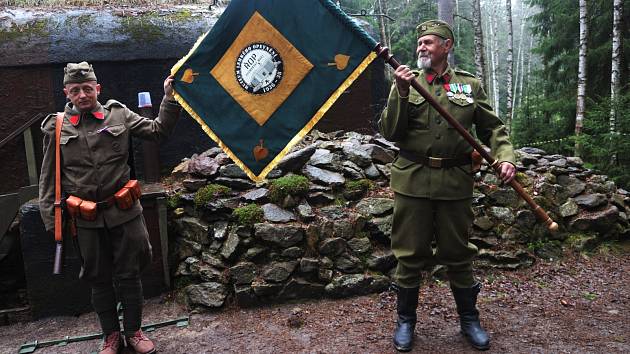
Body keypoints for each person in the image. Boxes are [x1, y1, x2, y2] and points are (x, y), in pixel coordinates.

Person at [378, 20, 516, 352]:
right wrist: (400, 92)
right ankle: (405, 322)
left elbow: (492, 127)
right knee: (409, 255)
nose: (421, 47)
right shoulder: (405, 82)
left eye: (428, 42)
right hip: (413, 180)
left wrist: (506, 155)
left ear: (446, 46)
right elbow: (390, 132)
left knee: (458, 254)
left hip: (456, 183)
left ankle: (469, 320)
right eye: (419, 43)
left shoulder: (468, 86)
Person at [38, 62, 182, 354]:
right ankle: (110, 336)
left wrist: (169, 98)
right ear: (66, 92)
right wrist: (52, 224)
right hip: (86, 218)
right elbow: (47, 179)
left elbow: (157, 131)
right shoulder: (57, 127)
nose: (82, 95)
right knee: (98, 277)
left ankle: (134, 332)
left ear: (97, 89)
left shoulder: (118, 113)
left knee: (130, 273)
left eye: (87, 88)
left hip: (124, 212)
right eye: (75, 90)